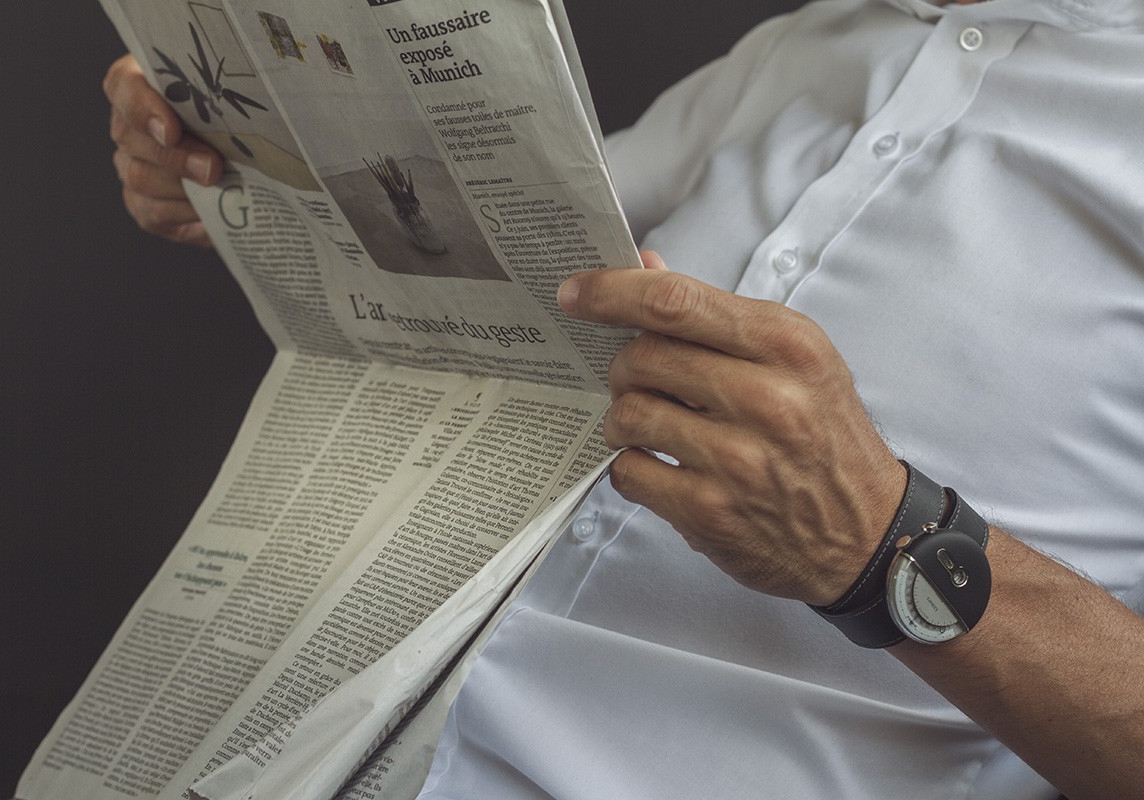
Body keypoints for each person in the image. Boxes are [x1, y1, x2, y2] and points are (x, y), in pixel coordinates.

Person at [103, 0, 1144, 796]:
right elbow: (496, 255)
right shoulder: (806, 46)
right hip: (305, 740)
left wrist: (884, 544)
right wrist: (236, 166)